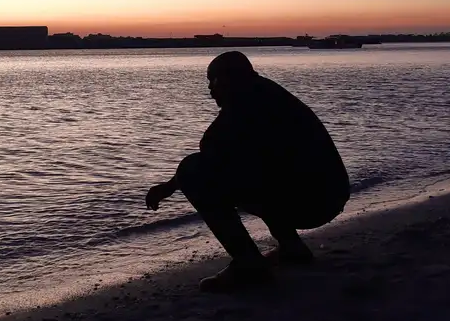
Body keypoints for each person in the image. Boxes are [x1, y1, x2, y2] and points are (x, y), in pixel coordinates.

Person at [145, 51, 350, 292]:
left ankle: (249, 264)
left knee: (194, 172)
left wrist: (168, 187)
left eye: (215, 80)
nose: (211, 89)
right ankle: (291, 247)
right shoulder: (268, 94)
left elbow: (205, 155)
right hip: (329, 193)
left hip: (312, 200)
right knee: (255, 171)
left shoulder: (247, 105)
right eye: (209, 82)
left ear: (235, 77)